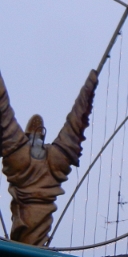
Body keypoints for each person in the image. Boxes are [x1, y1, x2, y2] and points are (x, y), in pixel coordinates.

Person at [0, 69, 97, 245]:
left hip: (26, 217)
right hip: (34, 219)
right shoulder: (54, 158)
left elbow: (4, 112)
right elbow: (75, 122)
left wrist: (90, 84)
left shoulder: (23, 155)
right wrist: (90, 83)